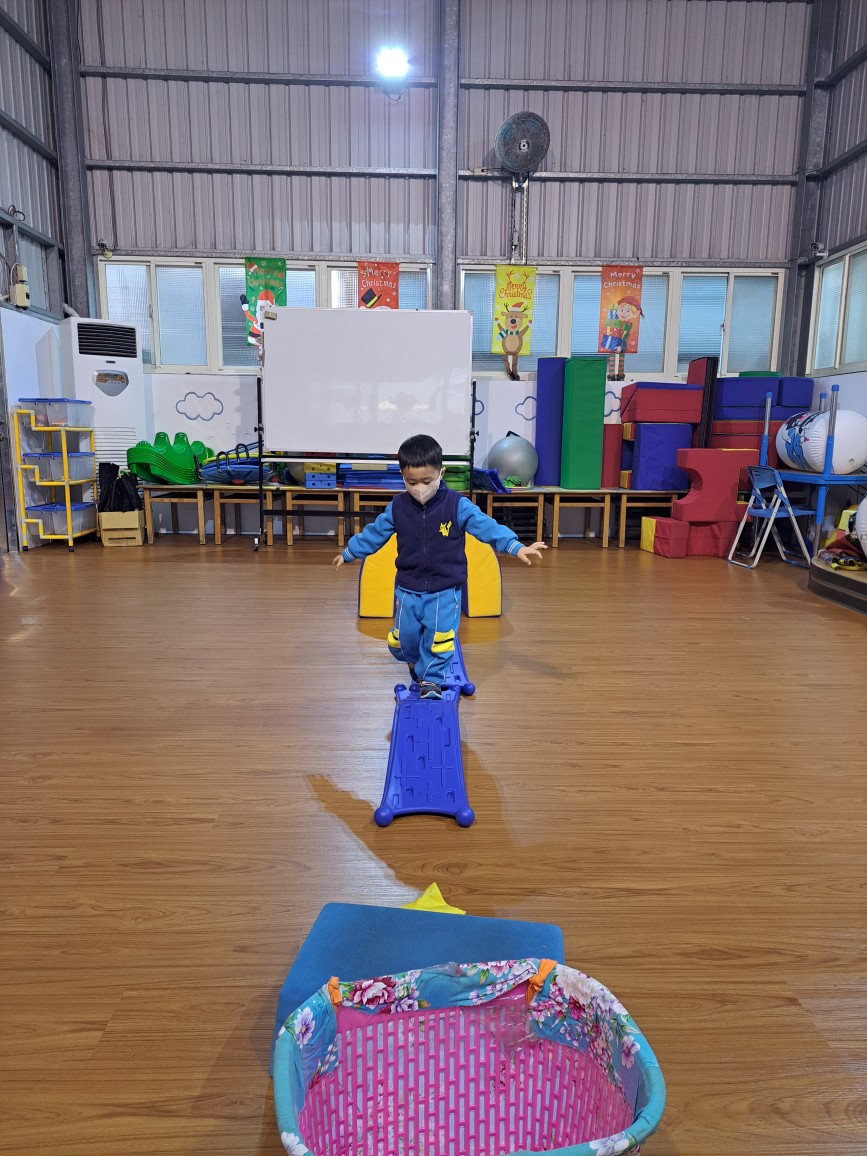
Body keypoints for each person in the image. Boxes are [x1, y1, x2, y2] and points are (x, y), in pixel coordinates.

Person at [333, 434, 546, 699]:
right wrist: (350, 551)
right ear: (402, 477)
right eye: (411, 482)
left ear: (440, 473)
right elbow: (375, 533)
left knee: (439, 640)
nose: (419, 488)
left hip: (445, 589)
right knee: (403, 641)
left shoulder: (456, 505)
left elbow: (486, 526)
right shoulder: (398, 507)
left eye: (427, 481)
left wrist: (515, 546)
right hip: (408, 588)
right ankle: (414, 662)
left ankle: (431, 681)